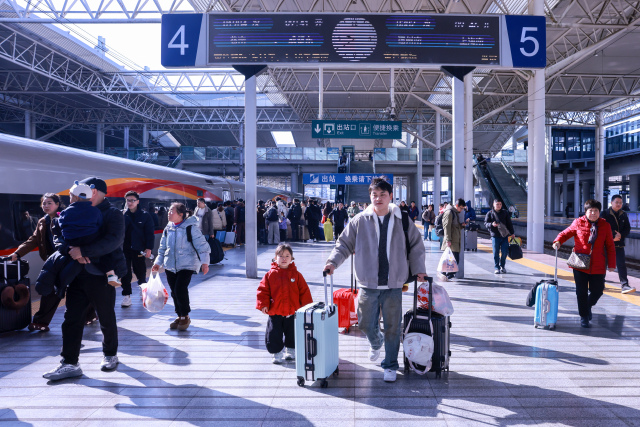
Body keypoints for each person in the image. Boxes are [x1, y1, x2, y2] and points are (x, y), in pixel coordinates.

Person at [323, 178, 428, 382]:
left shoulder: (402, 219)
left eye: (382, 195)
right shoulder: (360, 220)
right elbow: (343, 244)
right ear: (370, 196)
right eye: (374, 195)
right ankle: (376, 340)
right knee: (364, 322)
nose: (378, 198)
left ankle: (390, 365)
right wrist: (332, 262)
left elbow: (416, 245)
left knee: (392, 326)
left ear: (390, 196)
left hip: (393, 283)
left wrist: (419, 270)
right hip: (367, 282)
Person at [43, 177, 126, 381]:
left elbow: (114, 241)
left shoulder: (112, 213)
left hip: (101, 275)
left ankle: (110, 354)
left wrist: (84, 251)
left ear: (93, 191)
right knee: (72, 318)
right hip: (76, 273)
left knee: (106, 316)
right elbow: (59, 236)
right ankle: (69, 362)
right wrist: (71, 250)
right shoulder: (71, 212)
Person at [553, 199, 616, 328]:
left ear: (599, 212)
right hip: (580, 263)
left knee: (598, 291)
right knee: (581, 292)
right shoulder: (578, 222)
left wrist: (612, 264)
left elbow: (610, 246)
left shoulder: (605, 225)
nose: (593, 213)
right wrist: (558, 241)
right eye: (590, 210)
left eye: (596, 211)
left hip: (598, 264)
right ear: (586, 211)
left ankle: (587, 306)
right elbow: (566, 233)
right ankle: (584, 316)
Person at [152, 202, 210, 331]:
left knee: (180, 289)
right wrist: (158, 263)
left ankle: (185, 315)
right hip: (170, 265)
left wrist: (205, 263)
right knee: (174, 291)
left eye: (172, 211)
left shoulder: (191, 228)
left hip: (187, 264)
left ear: (180, 214)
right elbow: (162, 248)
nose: (168, 213)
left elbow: (202, 246)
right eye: (169, 211)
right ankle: (179, 315)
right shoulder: (168, 228)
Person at [11, 193, 65, 332]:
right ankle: (41, 322)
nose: (46, 206)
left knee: (79, 290)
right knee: (50, 290)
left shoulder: (66, 218)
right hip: (53, 262)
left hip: (69, 260)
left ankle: (90, 314)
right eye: (44, 203)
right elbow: (33, 240)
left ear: (57, 204)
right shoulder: (43, 221)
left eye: (49, 203)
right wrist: (17, 253)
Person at [256, 243, 313, 364]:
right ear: (275, 258)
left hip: (292, 312)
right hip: (275, 311)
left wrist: (306, 307)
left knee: (292, 332)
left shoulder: (296, 275)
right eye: (281, 256)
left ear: (292, 258)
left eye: (287, 256)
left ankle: (291, 350)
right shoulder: (270, 275)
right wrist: (264, 304)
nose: (284, 259)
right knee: (274, 334)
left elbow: (304, 291)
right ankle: (276, 353)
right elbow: (263, 290)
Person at [120, 191, 155, 308]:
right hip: (125, 249)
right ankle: (126, 296)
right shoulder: (123, 215)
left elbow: (149, 233)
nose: (130, 203)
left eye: (132, 200)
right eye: (128, 200)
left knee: (140, 271)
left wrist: (149, 248)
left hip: (139, 249)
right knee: (125, 272)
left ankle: (142, 289)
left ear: (138, 201)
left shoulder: (145, 216)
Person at [601, 194, 635, 294]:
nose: (619, 204)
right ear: (611, 202)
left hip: (619, 244)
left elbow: (627, 228)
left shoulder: (623, 214)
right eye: (616, 202)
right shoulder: (605, 213)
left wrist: (620, 235)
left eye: (620, 203)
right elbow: (602, 227)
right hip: (606, 244)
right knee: (603, 264)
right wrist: (612, 236)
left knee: (621, 264)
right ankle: (600, 283)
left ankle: (625, 285)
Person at [484, 199, 516, 275]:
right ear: (493, 204)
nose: (499, 206)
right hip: (495, 236)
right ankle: (496, 267)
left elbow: (509, 223)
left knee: (504, 252)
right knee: (496, 253)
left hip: (504, 236)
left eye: (500, 204)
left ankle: (502, 266)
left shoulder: (505, 213)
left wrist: (512, 233)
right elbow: (485, 223)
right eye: (497, 204)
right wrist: (491, 224)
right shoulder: (490, 213)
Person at [440, 199, 466, 282]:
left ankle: (446, 275)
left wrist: (461, 225)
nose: (461, 210)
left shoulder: (455, 213)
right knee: (453, 260)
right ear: (457, 205)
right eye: (461, 208)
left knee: (451, 260)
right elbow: (446, 227)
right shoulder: (449, 212)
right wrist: (448, 240)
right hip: (451, 241)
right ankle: (446, 275)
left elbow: (454, 226)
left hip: (454, 240)